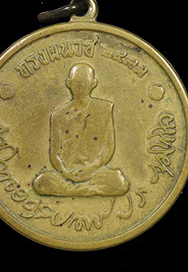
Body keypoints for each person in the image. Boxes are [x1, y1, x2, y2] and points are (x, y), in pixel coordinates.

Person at [33, 63, 129, 197]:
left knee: (119, 181)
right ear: (69, 83)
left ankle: (70, 190)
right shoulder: (58, 115)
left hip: (94, 171)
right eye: (76, 82)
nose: (80, 86)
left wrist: (91, 168)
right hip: (66, 173)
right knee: (41, 182)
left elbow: (109, 148)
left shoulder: (104, 108)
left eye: (85, 82)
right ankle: (85, 189)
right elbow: (54, 154)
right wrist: (65, 172)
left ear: (93, 83)